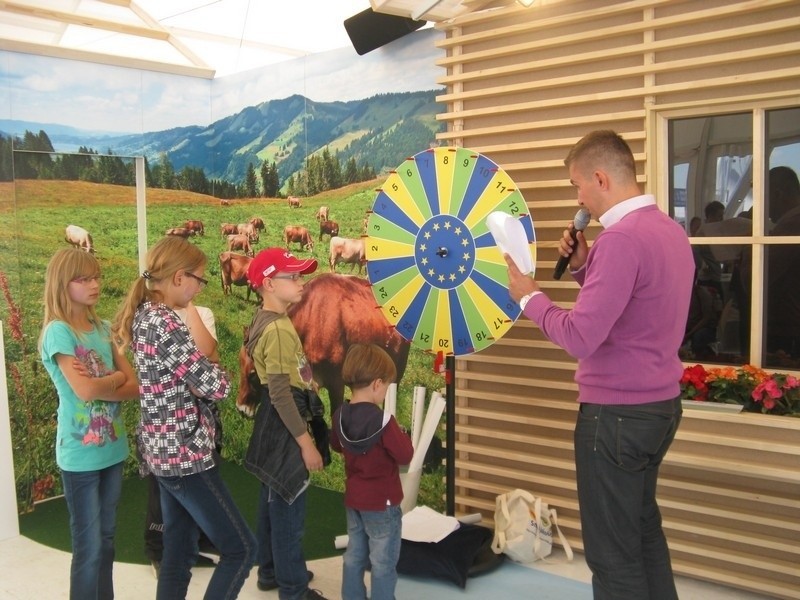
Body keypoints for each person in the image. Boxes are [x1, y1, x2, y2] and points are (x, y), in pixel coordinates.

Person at [504, 130, 694, 600]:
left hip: (616, 420)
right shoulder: (668, 231)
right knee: (643, 531)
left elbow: (581, 336)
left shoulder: (622, 240)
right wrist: (583, 266)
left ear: (601, 178)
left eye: (576, 185)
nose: (578, 197)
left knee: (612, 557)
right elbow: (633, 311)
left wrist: (528, 295)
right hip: (659, 409)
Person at [113, 236, 256, 600]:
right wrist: (213, 373)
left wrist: (199, 377)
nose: (200, 287)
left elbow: (195, 378)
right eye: (199, 279)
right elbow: (217, 385)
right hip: (185, 455)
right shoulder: (166, 323)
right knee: (241, 549)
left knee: (178, 550)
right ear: (179, 278)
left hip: (161, 452)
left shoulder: (145, 316)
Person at [38, 247, 139, 600]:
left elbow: (136, 386)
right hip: (80, 457)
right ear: (62, 285)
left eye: (96, 276)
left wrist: (105, 384)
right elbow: (84, 391)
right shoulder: (58, 333)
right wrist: (112, 380)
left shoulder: (104, 327)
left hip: (112, 450)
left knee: (107, 540)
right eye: (83, 279)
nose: (94, 284)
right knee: (89, 546)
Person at [242, 247, 329, 600]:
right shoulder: (277, 329)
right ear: (267, 284)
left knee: (271, 499)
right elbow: (279, 393)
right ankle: (294, 589)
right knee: (289, 505)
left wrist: (308, 380)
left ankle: (271, 571)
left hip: (274, 420)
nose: (301, 282)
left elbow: (286, 373)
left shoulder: (267, 319)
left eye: (300, 275)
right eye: (292, 277)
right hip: (285, 424)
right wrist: (305, 443)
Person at [143, 302, 220, 578]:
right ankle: (159, 549)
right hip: (164, 423)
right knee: (162, 488)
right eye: (192, 276)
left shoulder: (203, 312)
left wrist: (189, 309)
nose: (197, 284)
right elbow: (203, 372)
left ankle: (199, 538)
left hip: (200, 418)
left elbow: (209, 356)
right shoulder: (149, 317)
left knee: (203, 480)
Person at [330, 343, 413, 600]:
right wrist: (403, 437)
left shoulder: (340, 414)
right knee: (383, 562)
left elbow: (336, 444)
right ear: (377, 384)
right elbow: (405, 456)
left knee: (354, 555)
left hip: (354, 499)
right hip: (382, 503)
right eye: (387, 385)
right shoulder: (384, 422)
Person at [764, 166, 800, 359]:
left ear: (778, 194)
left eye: (765, 197)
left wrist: (747, 253)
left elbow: (762, 275)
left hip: (787, 325)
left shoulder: (791, 225)